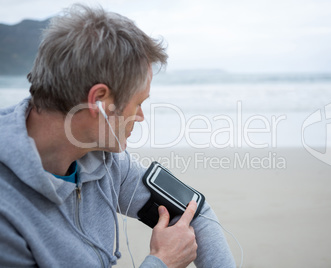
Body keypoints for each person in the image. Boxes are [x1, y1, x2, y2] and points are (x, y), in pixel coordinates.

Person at [0, 4, 236, 268]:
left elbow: (195, 212)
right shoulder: (6, 212)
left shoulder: (103, 159)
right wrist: (162, 262)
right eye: (138, 103)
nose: (141, 117)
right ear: (99, 101)